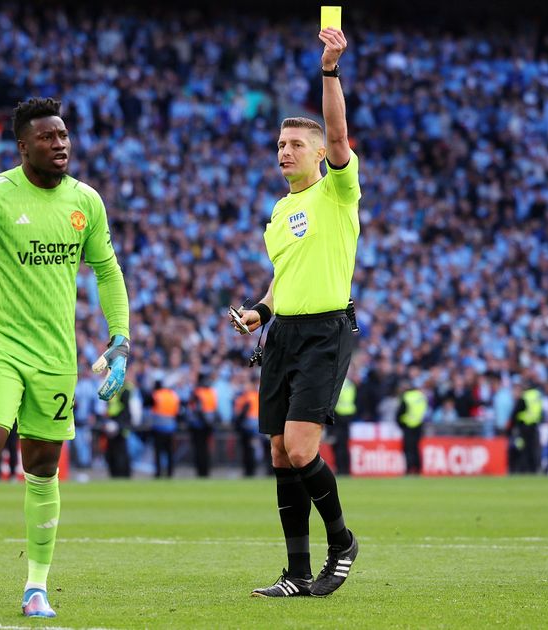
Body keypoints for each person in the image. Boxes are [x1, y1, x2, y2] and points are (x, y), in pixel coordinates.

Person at [0, 97, 130, 620]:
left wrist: (120, 339)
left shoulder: (88, 202)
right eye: (47, 138)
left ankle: (36, 586)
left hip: (56, 357)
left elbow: (107, 272)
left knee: (42, 468)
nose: (60, 145)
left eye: (64, 136)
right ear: (23, 146)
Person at [231, 26, 360, 599]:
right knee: (282, 452)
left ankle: (343, 543)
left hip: (327, 333)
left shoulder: (336, 191)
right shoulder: (280, 212)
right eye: (281, 144)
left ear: (317, 152)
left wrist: (329, 71)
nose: (286, 151)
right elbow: (283, 279)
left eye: (295, 144)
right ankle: (296, 573)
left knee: (303, 448)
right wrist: (261, 310)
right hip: (284, 333)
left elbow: (337, 133)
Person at [395, 377, 428, 475]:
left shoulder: (406, 397)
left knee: (408, 449)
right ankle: (418, 469)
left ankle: (409, 469)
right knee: (416, 448)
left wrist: (401, 424)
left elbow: (400, 413)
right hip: (419, 425)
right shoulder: (421, 396)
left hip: (408, 426)